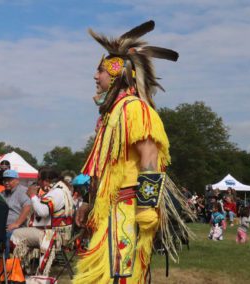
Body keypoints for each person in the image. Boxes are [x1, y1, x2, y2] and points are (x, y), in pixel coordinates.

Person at [73, 21, 185, 283]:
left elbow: (150, 158)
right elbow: (105, 168)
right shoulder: (113, 114)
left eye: (99, 71)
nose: (95, 77)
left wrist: (147, 206)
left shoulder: (134, 110)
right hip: (110, 209)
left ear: (115, 74)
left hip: (128, 208)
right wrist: (89, 203)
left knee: (120, 275)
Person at [11, 167, 75, 275]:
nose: (38, 182)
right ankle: (24, 268)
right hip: (60, 234)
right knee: (24, 230)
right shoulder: (63, 189)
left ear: (46, 181)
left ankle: (18, 269)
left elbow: (42, 211)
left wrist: (32, 196)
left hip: (51, 235)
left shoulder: (56, 193)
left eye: (38, 179)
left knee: (14, 234)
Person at [0, 169, 31, 257]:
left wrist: (17, 223)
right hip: (3, 226)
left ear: (17, 180)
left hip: (18, 227)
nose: (6, 182)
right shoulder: (2, 193)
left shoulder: (22, 192)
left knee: (5, 236)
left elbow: (27, 207)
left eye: (9, 180)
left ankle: (5, 263)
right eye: (5, 180)